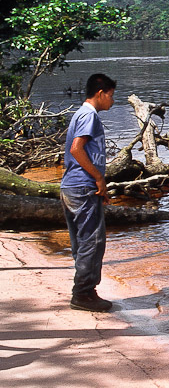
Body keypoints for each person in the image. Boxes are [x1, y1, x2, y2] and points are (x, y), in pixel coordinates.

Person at [60, 73, 116, 312]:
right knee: (93, 241)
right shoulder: (88, 115)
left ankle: (84, 291)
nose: (113, 101)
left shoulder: (81, 115)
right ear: (100, 93)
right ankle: (83, 293)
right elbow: (77, 149)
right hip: (82, 186)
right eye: (111, 96)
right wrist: (99, 177)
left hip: (73, 186)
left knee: (82, 242)